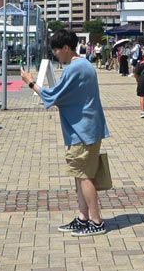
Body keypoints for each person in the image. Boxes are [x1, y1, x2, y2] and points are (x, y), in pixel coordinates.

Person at [20, 29, 110, 236]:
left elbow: (53, 96)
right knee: (80, 175)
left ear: (67, 48)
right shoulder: (85, 64)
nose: (55, 55)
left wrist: (30, 82)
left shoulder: (74, 69)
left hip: (82, 131)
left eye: (57, 50)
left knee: (84, 176)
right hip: (88, 129)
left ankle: (96, 222)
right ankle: (82, 218)